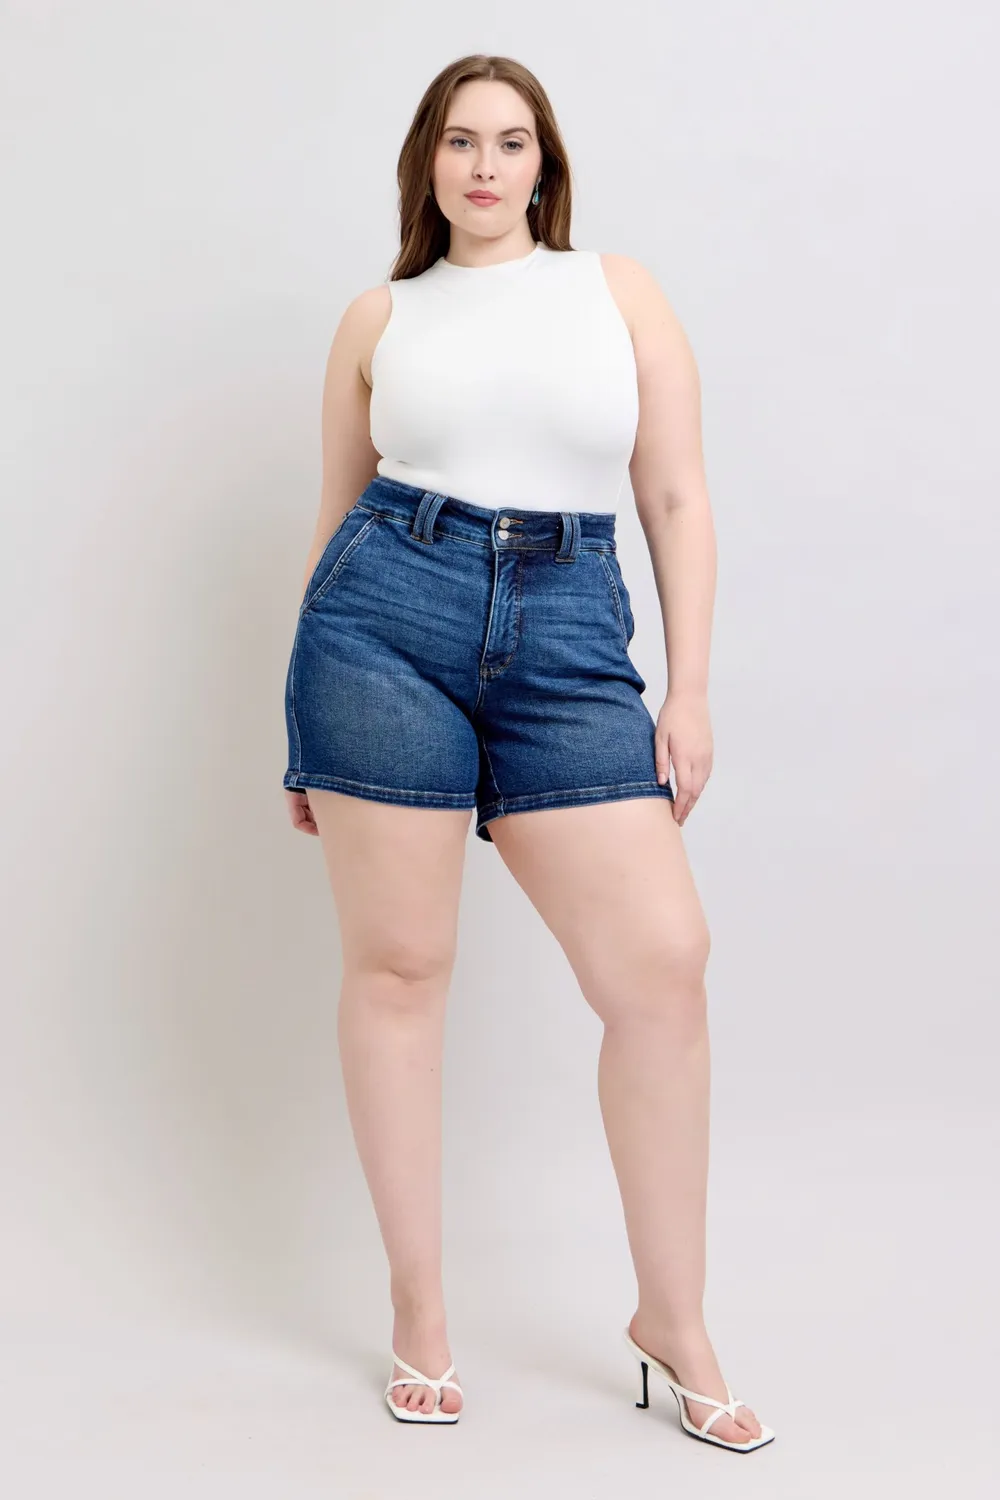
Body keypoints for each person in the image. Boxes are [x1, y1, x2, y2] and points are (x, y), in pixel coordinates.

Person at [281, 53, 774, 1451]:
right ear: (427, 166)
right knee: (400, 967)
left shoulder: (617, 291)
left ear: (544, 165)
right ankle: (420, 1311)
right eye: (459, 142)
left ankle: (671, 1319)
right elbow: (334, 515)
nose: (485, 166)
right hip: (380, 630)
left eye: (510, 142)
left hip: (567, 635)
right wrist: (298, 728)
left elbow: (674, 494)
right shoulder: (381, 317)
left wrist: (689, 690)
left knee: (662, 967)